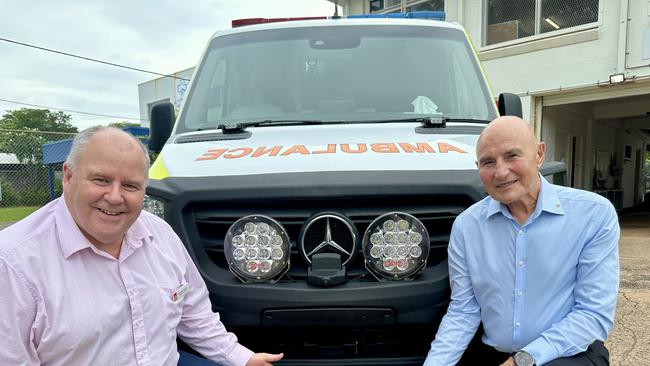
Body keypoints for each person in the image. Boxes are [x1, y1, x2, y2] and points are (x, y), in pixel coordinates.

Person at [0, 127, 283, 366]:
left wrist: (241, 358)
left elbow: (193, 313)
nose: (114, 197)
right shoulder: (13, 264)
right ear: (68, 176)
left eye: (130, 186)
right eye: (101, 180)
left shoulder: (159, 234)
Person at [424, 116, 620, 366]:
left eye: (512, 156)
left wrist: (523, 360)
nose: (501, 172)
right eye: (488, 162)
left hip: (568, 353)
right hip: (492, 352)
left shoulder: (593, 214)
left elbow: (593, 314)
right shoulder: (466, 226)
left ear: (539, 154)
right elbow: (464, 310)